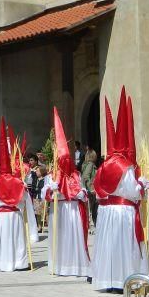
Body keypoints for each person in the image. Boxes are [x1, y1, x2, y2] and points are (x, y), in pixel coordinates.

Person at [92, 88, 149, 291]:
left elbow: (98, 190)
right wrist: (143, 184)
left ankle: (108, 279)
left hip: (107, 213)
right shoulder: (125, 166)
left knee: (109, 247)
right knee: (123, 248)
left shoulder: (104, 165)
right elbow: (133, 192)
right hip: (123, 212)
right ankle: (123, 278)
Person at [40, 109, 91, 278]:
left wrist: (81, 194)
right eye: (63, 160)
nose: (66, 162)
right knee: (61, 238)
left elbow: (83, 190)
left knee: (74, 238)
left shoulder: (76, 175)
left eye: (68, 160)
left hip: (74, 211)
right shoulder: (52, 176)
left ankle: (76, 265)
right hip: (60, 211)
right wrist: (51, 188)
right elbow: (44, 195)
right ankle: (60, 265)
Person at [0, 117, 38, 272]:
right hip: (15, 215)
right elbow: (24, 200)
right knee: (17, 239)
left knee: (4, 240)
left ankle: (4, 263)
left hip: (2, 215)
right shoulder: (18, 182)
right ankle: (19, 263)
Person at [81, 146, 98, 227]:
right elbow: (86, 176)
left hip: (87, 190)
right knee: (92, 208)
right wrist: (91, 188)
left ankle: (91, 224)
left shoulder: (86, 164)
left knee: (91, 208)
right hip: (90, 191)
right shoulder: (90, 165)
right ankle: (92, 225)